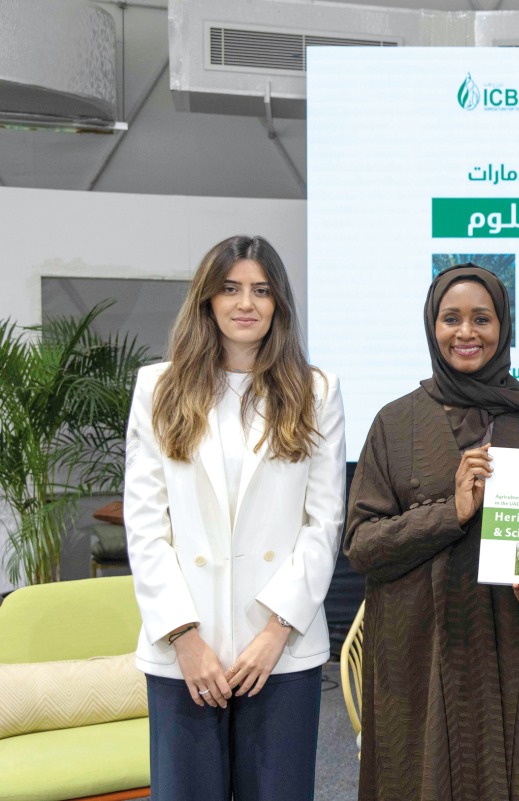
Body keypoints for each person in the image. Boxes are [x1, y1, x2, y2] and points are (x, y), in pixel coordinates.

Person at [124, 235, 346, 801]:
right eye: (230, 289)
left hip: (280, 650)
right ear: (208, 299)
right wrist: (184, 638)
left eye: (261, 290)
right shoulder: (158, 387)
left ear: (279, 304)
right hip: (184, 651)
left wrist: (275, 633)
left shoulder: (316, 391)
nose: (246, 303)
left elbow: (323, 524)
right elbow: (146, 527)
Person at [344, 264, 519, 801]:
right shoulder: (395, 424)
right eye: (451, 319)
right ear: (432, 326)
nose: (466, 332)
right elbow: (361, 546)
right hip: (418, 649)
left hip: (515, 645)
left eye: (481, 319)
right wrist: (453, 512)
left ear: (503, 326)